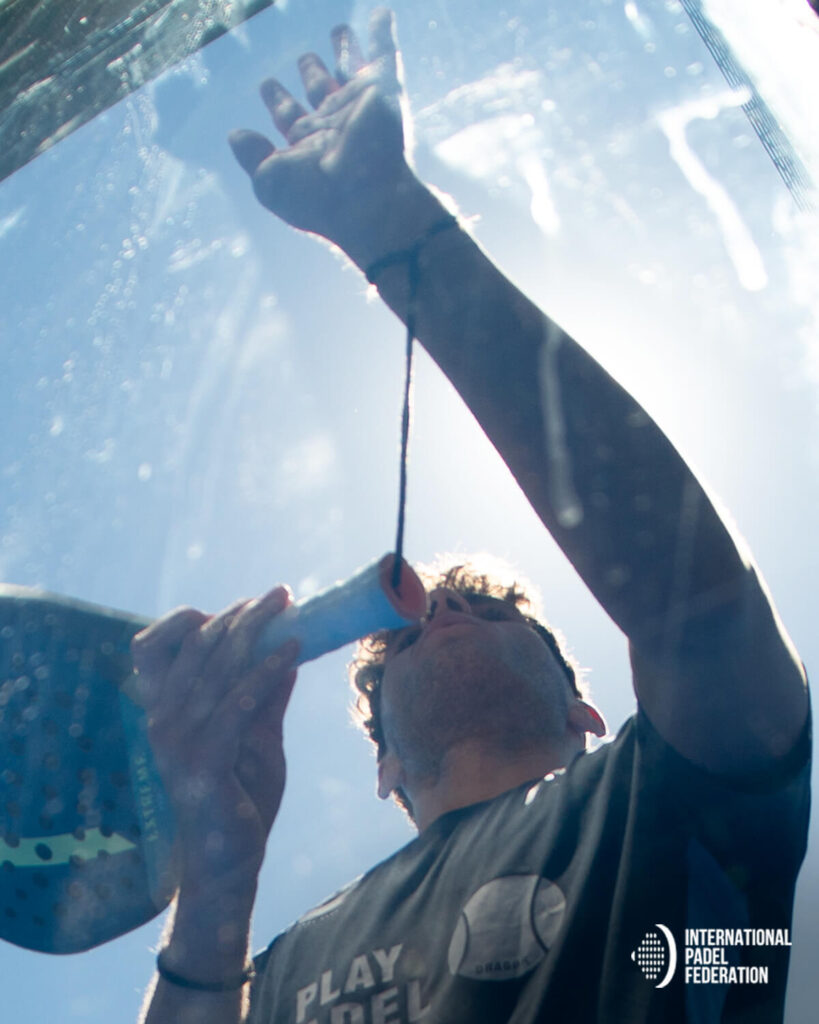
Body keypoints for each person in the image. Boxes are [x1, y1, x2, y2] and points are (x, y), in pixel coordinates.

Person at [134, 9, 810, 1023]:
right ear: (383, 767)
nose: (441, 611)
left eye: (491, 612)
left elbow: (698, 610)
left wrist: (397, 230)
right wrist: (215, 887)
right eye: (407, 634)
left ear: (588, 714)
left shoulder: (677, 806)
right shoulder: (274, 968)